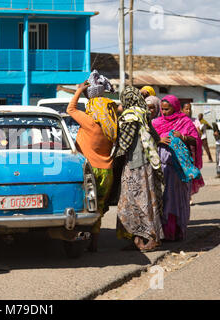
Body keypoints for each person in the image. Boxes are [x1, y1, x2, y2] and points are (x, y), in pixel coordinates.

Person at [67, 70, 117, 252]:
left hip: (90, 170)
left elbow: (70, 109)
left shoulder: (91, 123)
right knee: (98, 208)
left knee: (82, 205)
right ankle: (94, 244)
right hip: (107, 172)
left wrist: (79, 90)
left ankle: (77, 240)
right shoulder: (112, 124)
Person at [115, 87, 164, 251]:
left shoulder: (130, 116)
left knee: (135, 201)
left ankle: (151, 238)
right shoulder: (143, 113)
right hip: (146, 163)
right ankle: (138, 238)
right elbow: (155, 137)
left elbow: (124, 143)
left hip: (135, 165)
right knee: (145, 200)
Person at [152, 95, 202, 241]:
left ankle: (176, 231)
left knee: (176, 199)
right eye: (162, 109)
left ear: (175, 107)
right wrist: (158, 139)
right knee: (163, 199)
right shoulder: (156, 122)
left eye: (167, 109)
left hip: (178, 169)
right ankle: (164, 231)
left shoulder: (184, 121)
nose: (164, 112)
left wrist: (183, 137)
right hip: (161, 168)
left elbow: (195, 140)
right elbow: (147, 140)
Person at [181, 104, 205, 200]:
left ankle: (189, 195)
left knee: (191, 171)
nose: (188, 111)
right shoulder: (180, 121)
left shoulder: (195, 120)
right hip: (182, 149)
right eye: (186, 109)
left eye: (189, 109)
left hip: (192, 150)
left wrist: (195, 131)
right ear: (182, 109)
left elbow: (198, 134)